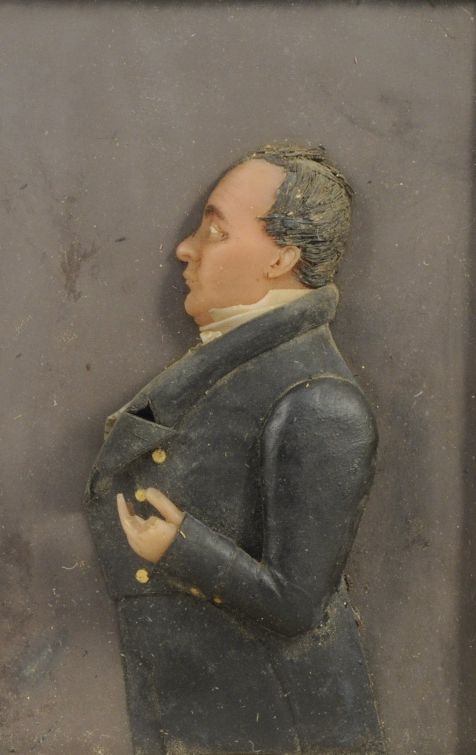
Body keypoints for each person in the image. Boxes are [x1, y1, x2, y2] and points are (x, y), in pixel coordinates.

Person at [84, 146, 384, 754]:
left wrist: (181, 548)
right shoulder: (235, 361)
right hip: (197, 696)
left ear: (281, 258)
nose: (186, 249)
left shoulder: (321, 402)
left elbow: (299, 605)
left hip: (276, 718)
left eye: (215, 232)